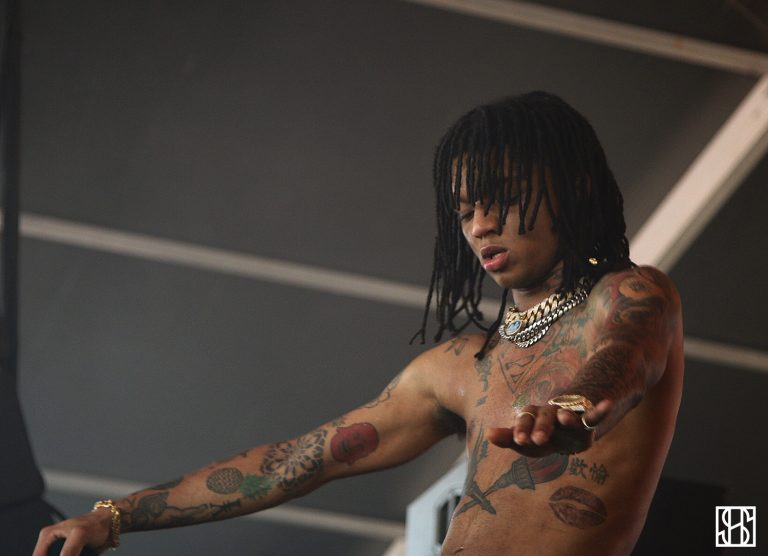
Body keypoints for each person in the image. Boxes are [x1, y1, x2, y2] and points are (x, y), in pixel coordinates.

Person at [34, 91, 683, 556]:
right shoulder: (457, 369)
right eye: (464, 211)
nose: (480, 225)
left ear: (572, 186)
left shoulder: (627, 293)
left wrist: (577, 402)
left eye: (502, 198)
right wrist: (113, 517)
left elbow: (631, 351)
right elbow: (293, 463)